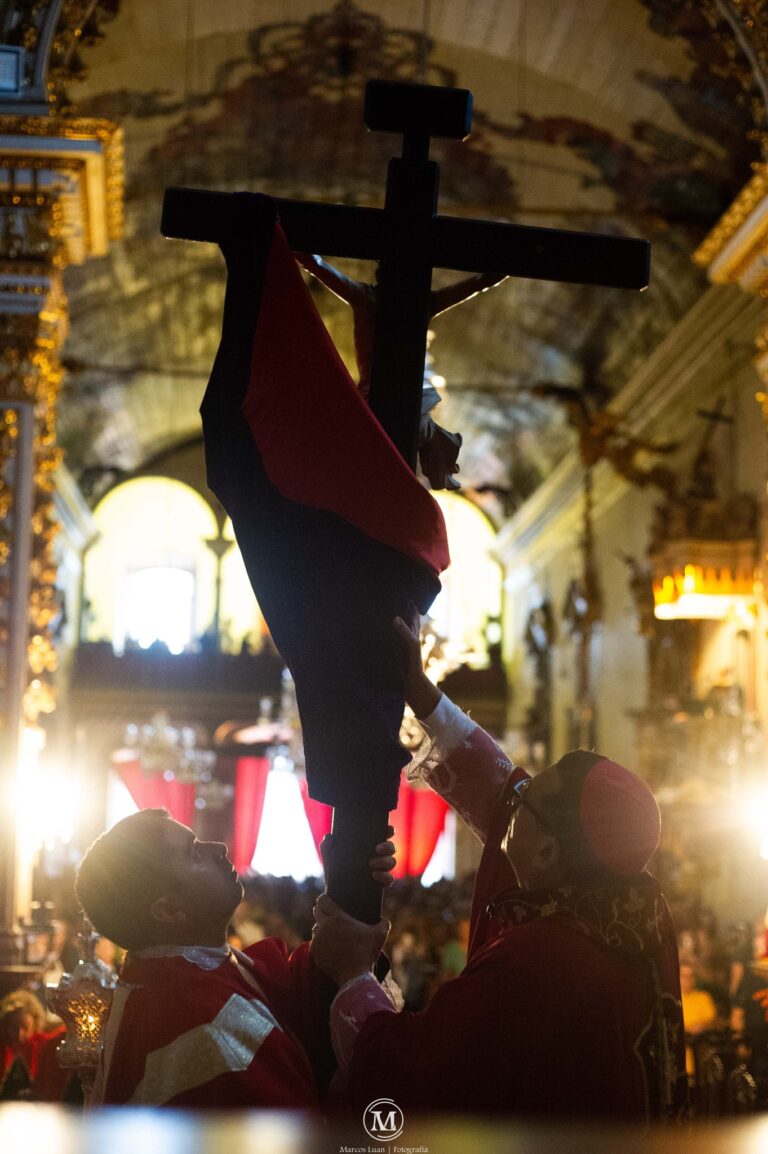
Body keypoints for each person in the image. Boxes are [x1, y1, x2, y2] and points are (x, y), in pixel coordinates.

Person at [311, 617, 688, 1121]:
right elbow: (501, 788)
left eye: (526, 797)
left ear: (548, 853)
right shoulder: (633, 912)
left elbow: (410, 1075)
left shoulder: (537, 959)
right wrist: (420, 691)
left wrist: (354, 972)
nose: (513, 797)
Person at [75, 809, 394, 1108]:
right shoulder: (207, 1030)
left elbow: (287, 1000)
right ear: (169, 910)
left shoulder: (173, 969)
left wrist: (346, 880)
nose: (219, 848)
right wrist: (354, 970)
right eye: (194, 852)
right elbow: (305, 1132)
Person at [296, 252, 506, 490]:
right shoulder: (409, 302)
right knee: (391, 457)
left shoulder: (373, 298)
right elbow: (480, 283)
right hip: (394, 401)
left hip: (381, 401)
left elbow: (316, 265)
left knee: (379, 459)